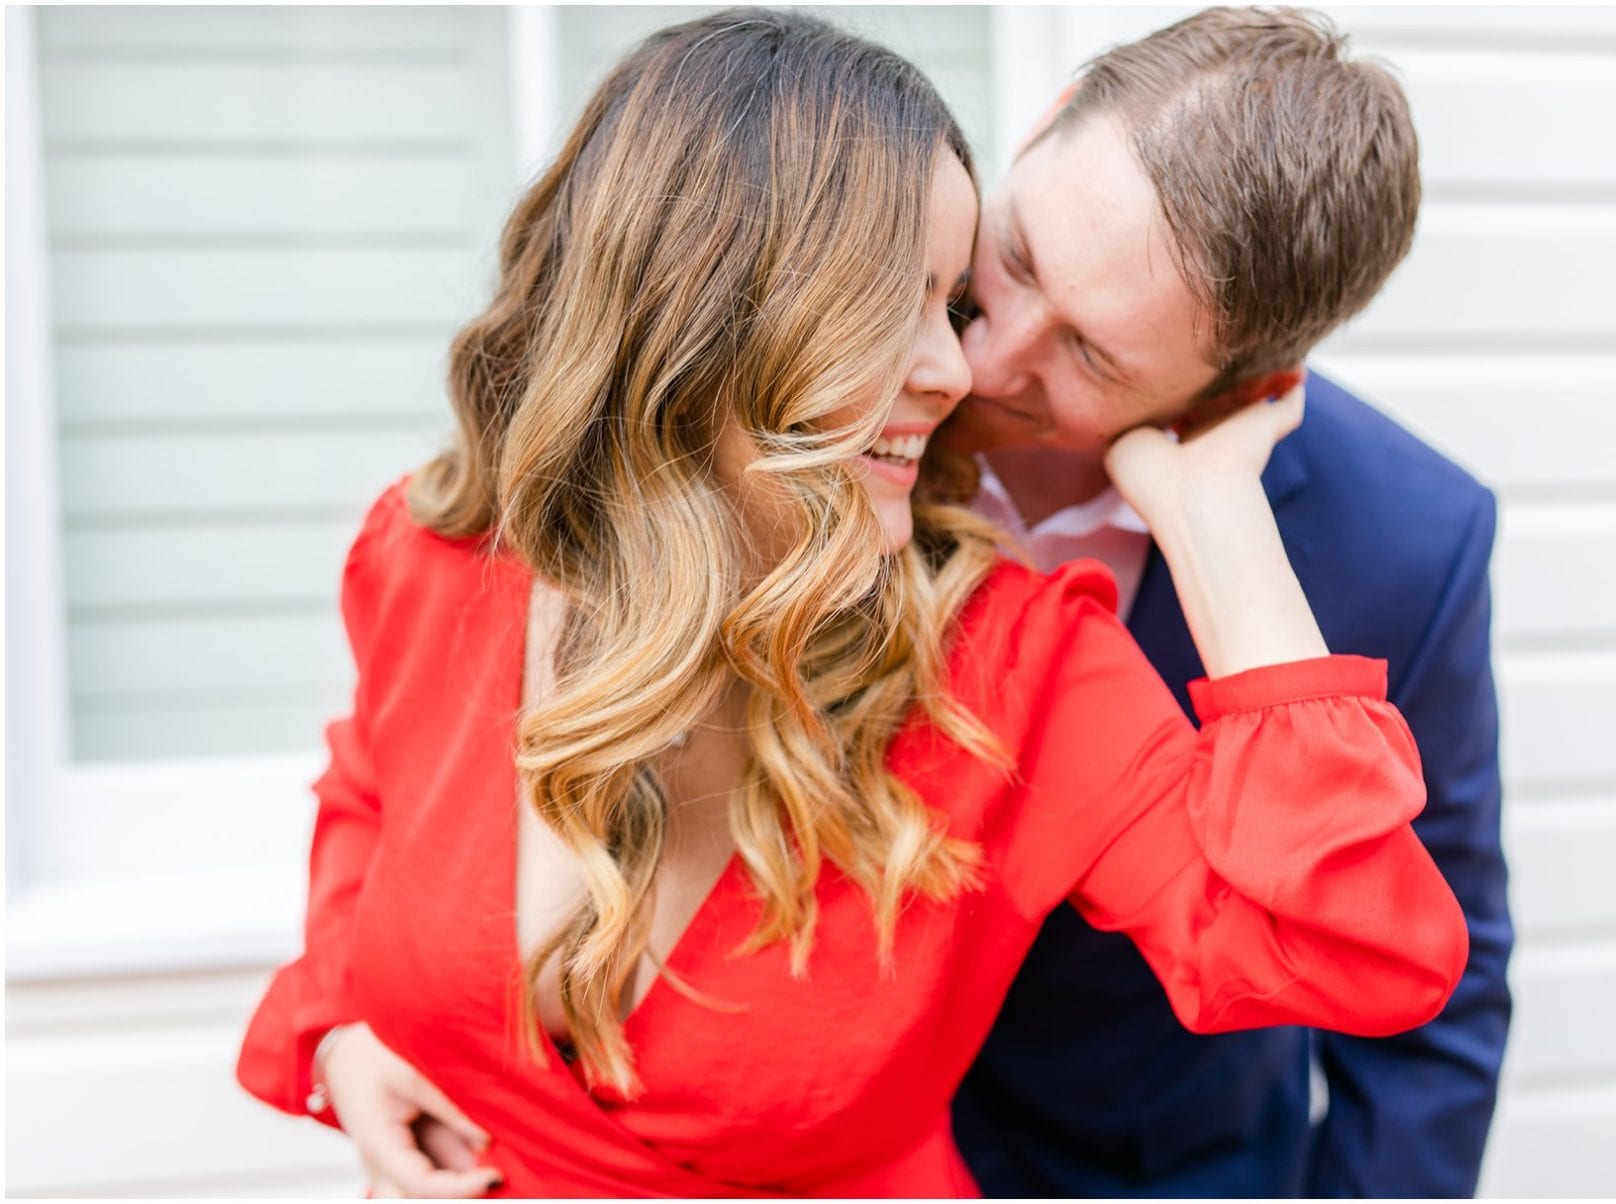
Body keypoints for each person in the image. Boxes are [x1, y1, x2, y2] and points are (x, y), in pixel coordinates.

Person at [235, 9, 1468, 1198]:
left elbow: (1366, 956)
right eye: (968, 282)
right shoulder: (438, 551)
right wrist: (344, 1014)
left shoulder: (1026, 664)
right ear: (711, 300)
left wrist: (1213, 521)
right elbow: (375, 783)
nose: (968, 364)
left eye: (1088, 353)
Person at [938, 7, 1513, 1198]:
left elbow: (1435, 999)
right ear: (1044, 125)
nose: (991, 365)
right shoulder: (822, 358)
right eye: (1024, 257)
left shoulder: (1407, 541)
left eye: (1091, 358)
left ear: (1247, 386)